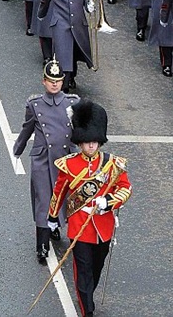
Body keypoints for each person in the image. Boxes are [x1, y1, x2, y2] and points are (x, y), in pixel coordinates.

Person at [48, 99, 132, 317]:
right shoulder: (69, 165)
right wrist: (52, 216)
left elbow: (126, 189)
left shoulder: (112, 164)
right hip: (79, 228)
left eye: (95, 141)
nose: (91, 146)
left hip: (103, 227)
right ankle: (87, 310)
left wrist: (109, 202)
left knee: (96, 268)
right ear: (80, 142)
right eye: (87, 142)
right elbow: (59, 193)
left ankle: (86, 296)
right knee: (83, 271)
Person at [13, 58, 79, 264]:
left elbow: (80, 130)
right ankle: (41, 245)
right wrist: (18, 148)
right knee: (44, 199)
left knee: (62, 198)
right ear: (43, 81)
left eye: (58, 80)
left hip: (65, 158)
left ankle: (55, 226)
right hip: (42, 158)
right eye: (50, 80)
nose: (54, 84)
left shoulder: (72, 103)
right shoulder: (35, 105)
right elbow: (27, 128)